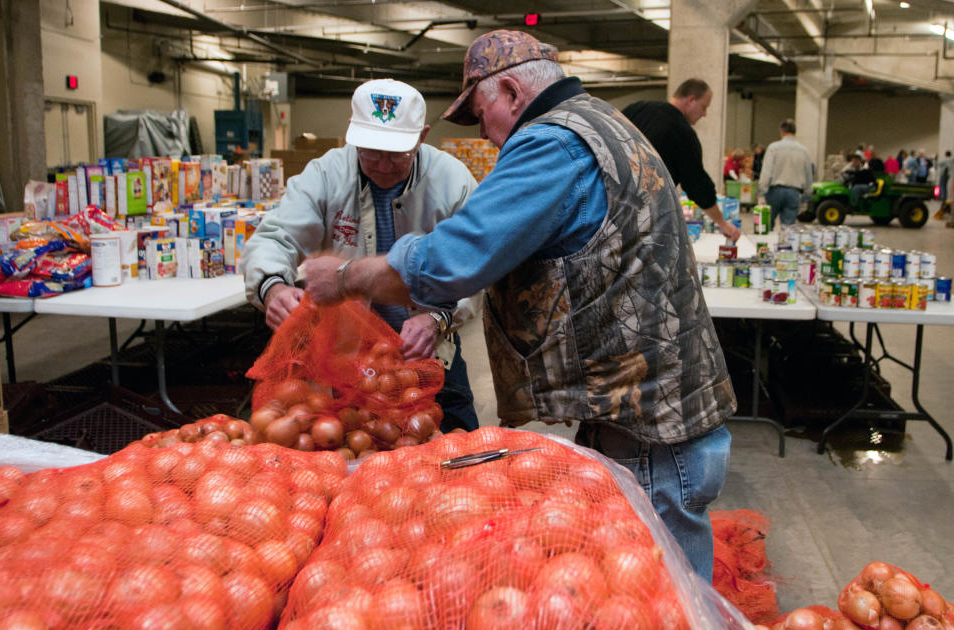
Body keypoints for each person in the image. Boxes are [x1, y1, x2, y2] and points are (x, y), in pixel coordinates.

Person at [298, 29, 737, 581]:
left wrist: (345, 277)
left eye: (482, 114)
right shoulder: (601, 120)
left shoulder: (553, 142)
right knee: (657, 570)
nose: (484, 132)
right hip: (655, 399)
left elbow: (454, 259)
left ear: (509, 90)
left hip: (647, 413)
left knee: (661, 580)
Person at [241, 78, 481, 432]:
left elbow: (477, 267)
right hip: (347, 356)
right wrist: (272, 286)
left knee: (458, 442)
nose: (383, 165)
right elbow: (274, 237)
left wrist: (438, 320)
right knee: (351, 445)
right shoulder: (325, 176)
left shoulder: (452, 181)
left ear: (422, 136)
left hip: (429, 352)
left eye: (397, 153)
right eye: (370, 151)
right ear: (351, 134)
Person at [621, 79, 741, 242]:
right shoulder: (683, 132)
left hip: (612, 207)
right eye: (704, 107)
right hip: (644, 218)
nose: (704, 114)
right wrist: (722, 223)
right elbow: (698, 185)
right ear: (691, 100)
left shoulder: (637, 109)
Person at [757, 118, 814, 228]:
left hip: (774, 192)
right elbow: (809, 175)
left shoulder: (773, 148)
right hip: (794, 192)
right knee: (788, 229)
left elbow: (766, 172)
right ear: (795, 132)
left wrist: (761, 192)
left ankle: (767, 244)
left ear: (782, 131)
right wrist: (806, 195)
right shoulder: (804, 151)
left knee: (766, 227)